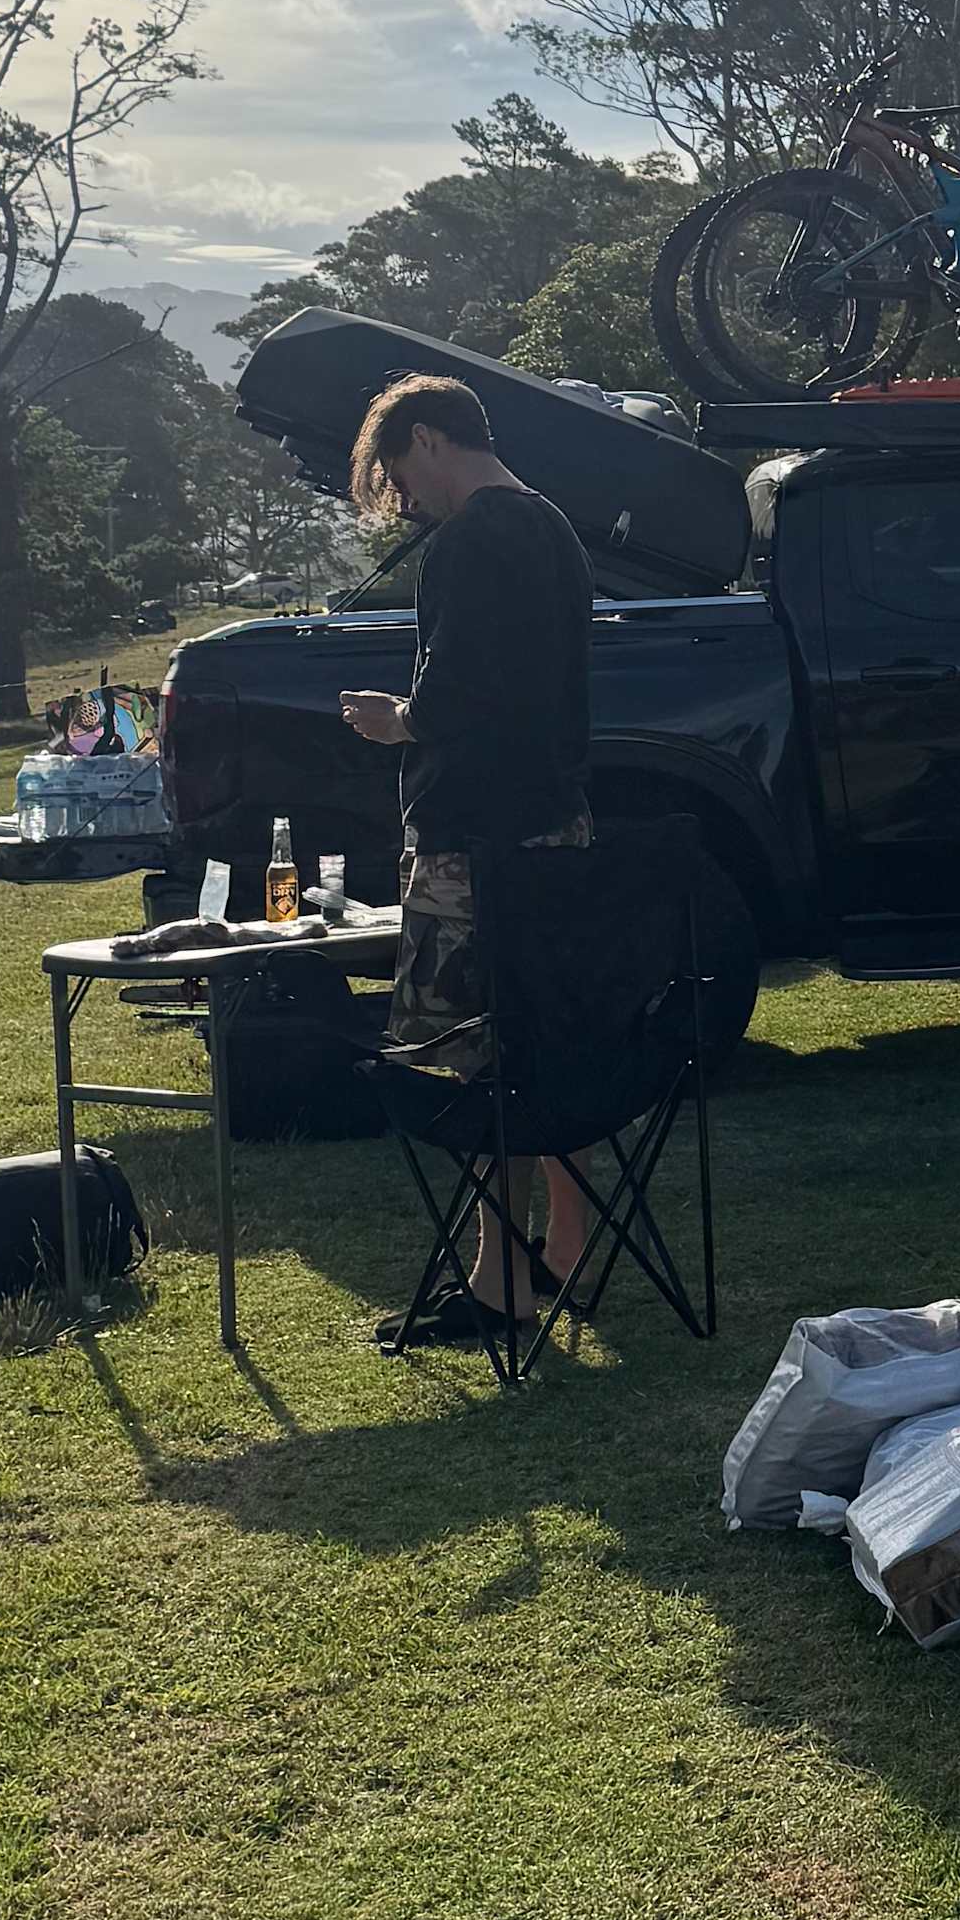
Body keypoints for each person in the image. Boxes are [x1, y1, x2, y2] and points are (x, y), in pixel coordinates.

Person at [337, 374, 596, 1329]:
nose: (405, 498)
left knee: (474, 1057)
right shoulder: (555, 528)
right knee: (549, 1039)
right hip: (557, 824)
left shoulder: (469, 540)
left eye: (401, 474)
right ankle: (568, 1247)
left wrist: (396, 721)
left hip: (472, 838)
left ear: (430, 439)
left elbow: (456, 695)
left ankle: (498, 1282)